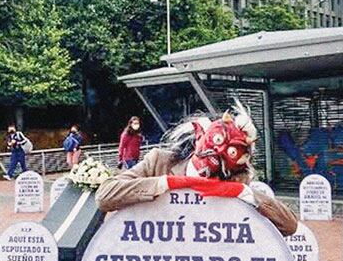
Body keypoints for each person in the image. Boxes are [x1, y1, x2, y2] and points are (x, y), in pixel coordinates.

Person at [96, 101, 297, 237]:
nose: (218, 151)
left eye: (232, 152)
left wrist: (244, 193)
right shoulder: (160, 162)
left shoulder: (236, 182)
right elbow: (105, 195)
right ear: (199, 135)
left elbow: (289, 225)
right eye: (217, 140)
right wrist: (165, 183)